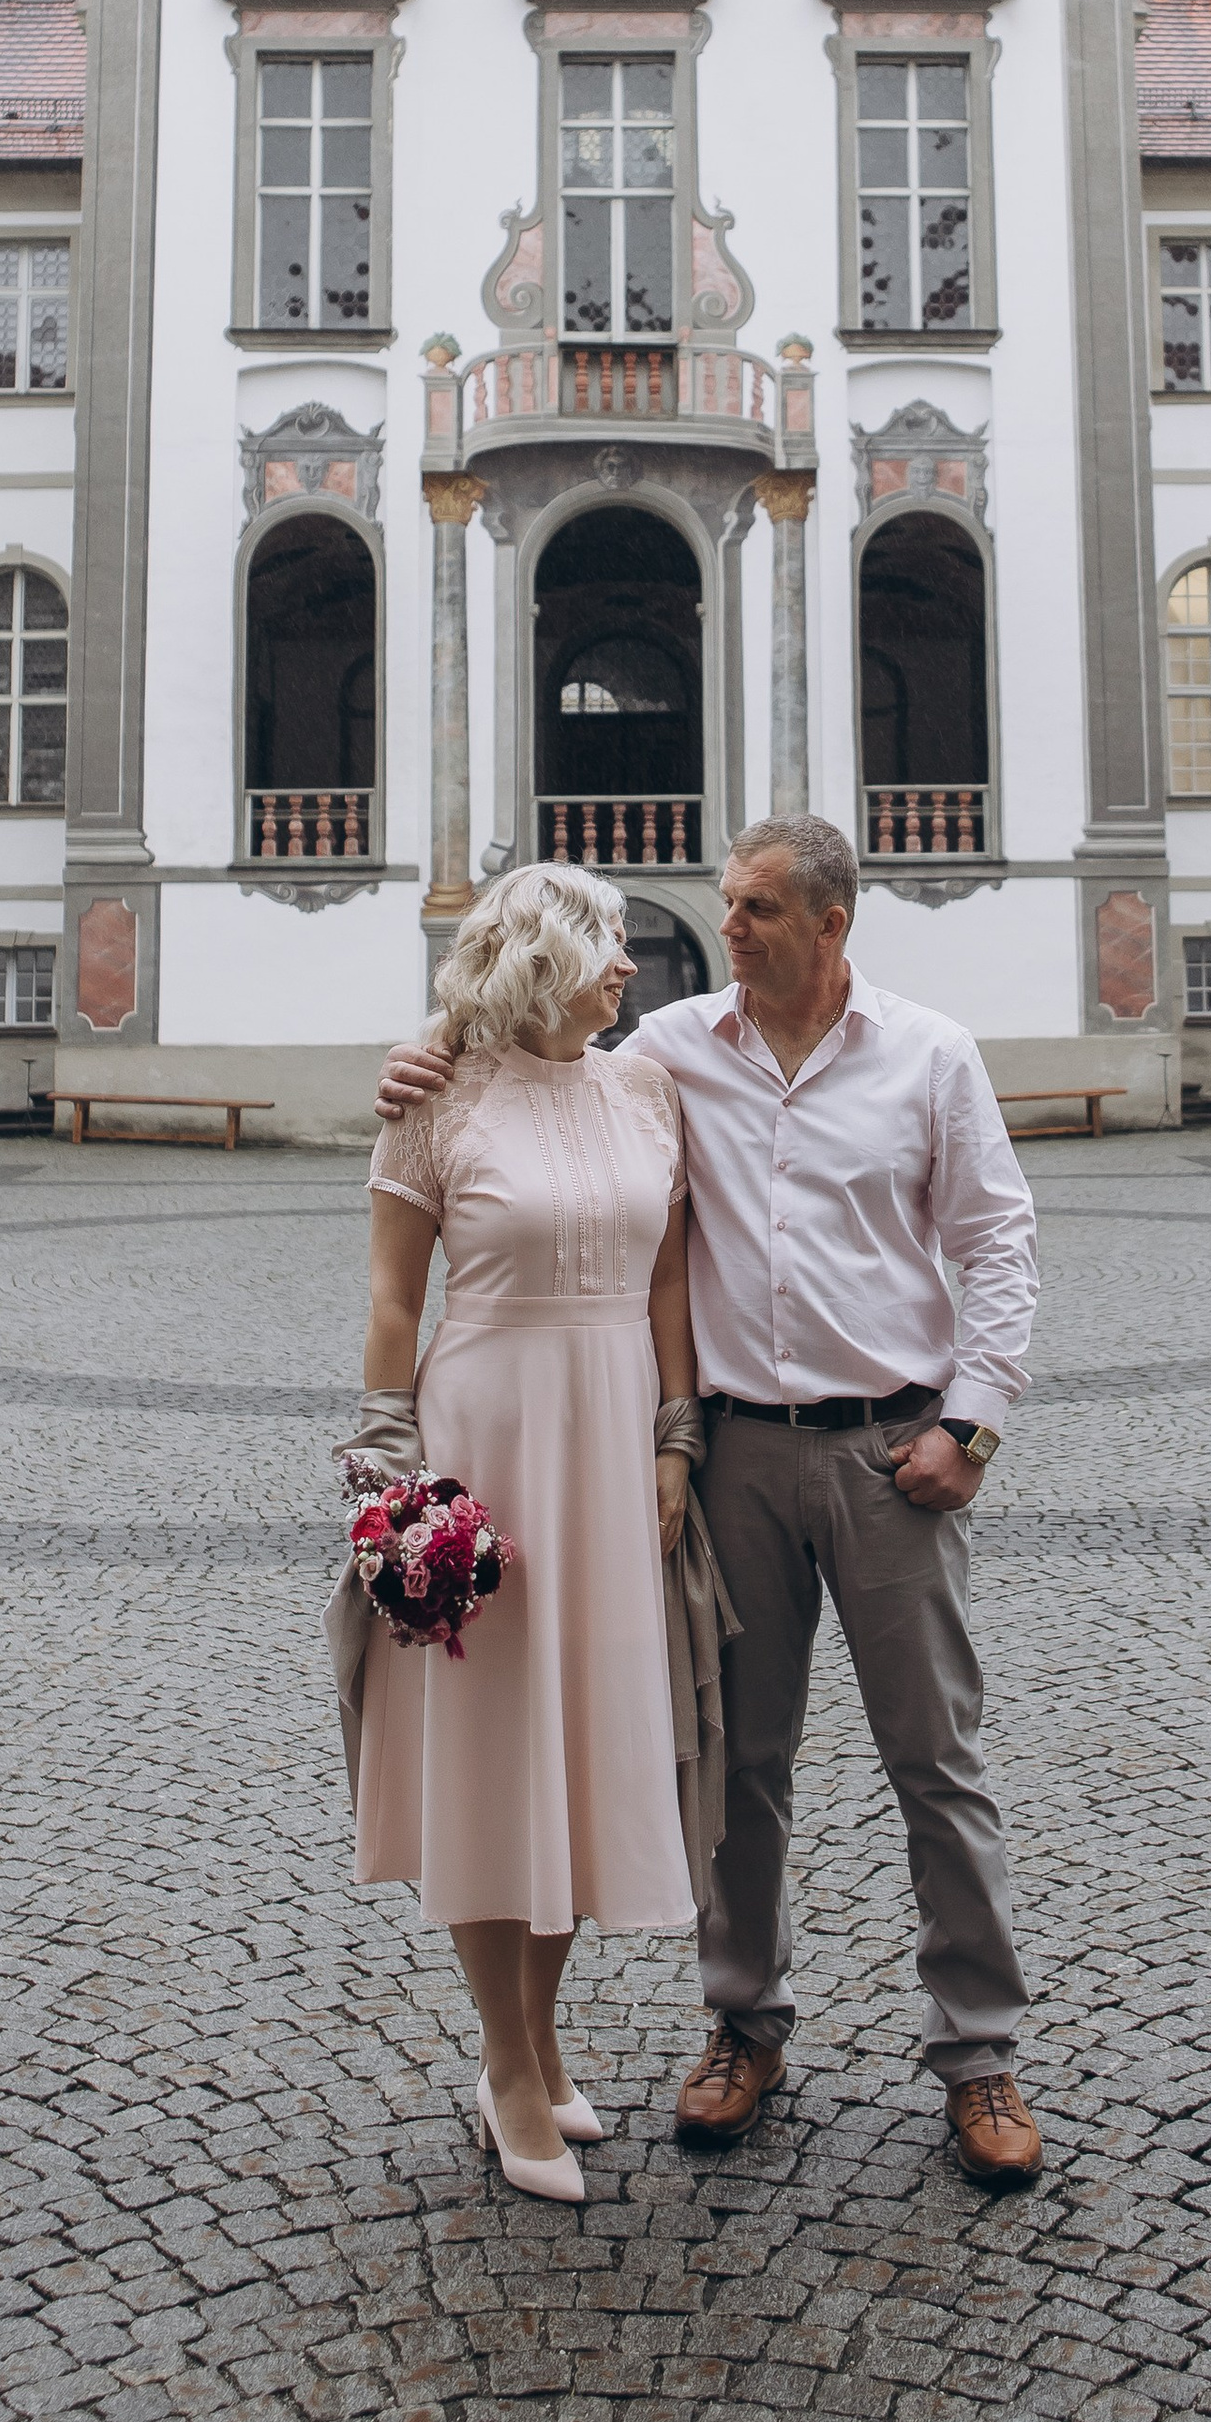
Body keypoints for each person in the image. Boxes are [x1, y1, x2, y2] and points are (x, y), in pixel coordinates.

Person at [380, 812, 1046, 2189]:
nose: (722, 930)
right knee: (735, 1766)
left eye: (752, 909)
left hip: (892, 1452)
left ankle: (980, 2057)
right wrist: (428, 1052)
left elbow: (996, 1239)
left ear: (831, 922)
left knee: (937, 1763)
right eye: (727, 907)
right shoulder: (670, 1053)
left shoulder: (931, 1054)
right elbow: (526, 1063)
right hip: (734, 1454)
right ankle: (743, 2026)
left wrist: (974, 1424)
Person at [337, 862, 708, 2207]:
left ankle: (544, 2039)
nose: (629, 964)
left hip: (612, 1434)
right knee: (495, 1756)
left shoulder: (644, 1084)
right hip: (483, 1430)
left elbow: (670, 1275)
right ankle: (505, 2064)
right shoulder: (435, 1100)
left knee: (585, 1745)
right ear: (543, 962)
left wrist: (677, 1435)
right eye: (609, 944)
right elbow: (392, 1299)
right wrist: (388, 1472)